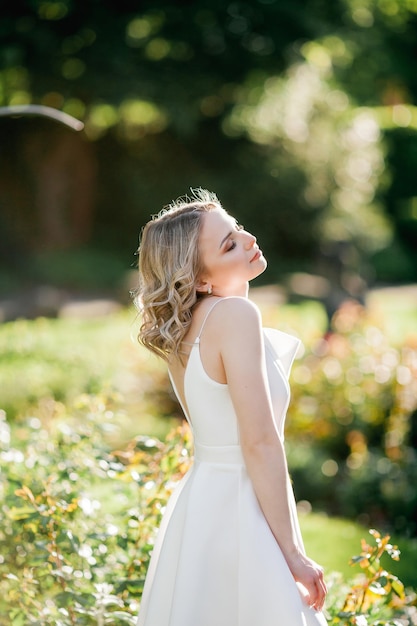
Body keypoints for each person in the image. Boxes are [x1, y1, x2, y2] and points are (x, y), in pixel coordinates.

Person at [134, 188, 327, 626]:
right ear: (200, 279)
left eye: (236, 229)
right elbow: (258, 441)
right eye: (229, 244)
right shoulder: (235, 318)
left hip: (203, 505)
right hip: (244, 507)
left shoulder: (186, 329)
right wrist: (292, 554)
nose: (248, 238)